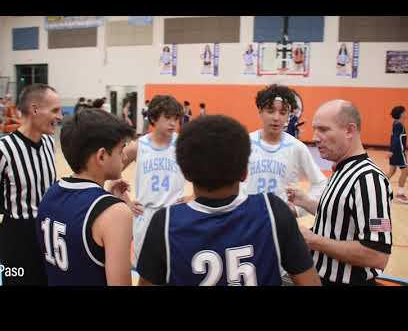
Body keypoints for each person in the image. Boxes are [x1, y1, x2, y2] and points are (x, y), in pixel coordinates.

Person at [136, 115, 321, 286]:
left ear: (185, 173)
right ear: (245, 173)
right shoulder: (273, 211)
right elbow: (310, 282)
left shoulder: (166, 222)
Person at [287, 100, 393, 286]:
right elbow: (341, 215)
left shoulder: (369, 180)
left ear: (349, 130)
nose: (316, 137)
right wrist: (306, 201)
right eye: (315, 130)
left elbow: (377, 254)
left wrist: (313, 240)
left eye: (324, 130)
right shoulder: (341, 169)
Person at [0, 84, 63, 286]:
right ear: (34, 109)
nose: (59, 117)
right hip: (17, 236)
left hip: (47, 232)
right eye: (55, 110)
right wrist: (5, 237)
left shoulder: (49, 143)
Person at [36, 109, 134, 286]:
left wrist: (107, 198)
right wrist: (113, 206)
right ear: (102, 155)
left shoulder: (50, 193)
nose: (125, 156)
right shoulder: (116, 213)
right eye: (121, 150)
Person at [121, 95, 188, 264]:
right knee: (145, 272)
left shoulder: (183, 144)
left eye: (176, 118)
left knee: (174, 269)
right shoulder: (138, 146)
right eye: (167, 118)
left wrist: (192, 197)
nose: (173, 123)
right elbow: (112, 173)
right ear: (153, 118)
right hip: (146, 215)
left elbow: (205, 172)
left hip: (174, 216)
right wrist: (125, 200)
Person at [242, 84, 327, 217]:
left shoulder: (296, 147)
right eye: (270, 111)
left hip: (282, 221)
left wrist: (297, 210)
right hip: (248, 218)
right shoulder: (244, 143)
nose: (276, 117)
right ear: (260, 112)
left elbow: (321, 183)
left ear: (288, 115)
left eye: (282, 112)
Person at [387, 106, 408, 204]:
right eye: (405, 111)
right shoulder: (399, 125)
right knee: (405, 172)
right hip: (399, 152)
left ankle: (379, 186)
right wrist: (391, 150)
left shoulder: (396, 124)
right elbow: (396, 138)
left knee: (392, 171)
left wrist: (391, 150)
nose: (406, 113)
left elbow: (395, 138)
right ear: (401, 114)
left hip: (396, 152)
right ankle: (400, 194)